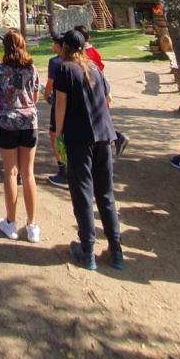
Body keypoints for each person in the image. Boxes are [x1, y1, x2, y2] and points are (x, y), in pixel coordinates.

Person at [55, 28, 122, 270]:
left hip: (79, 137)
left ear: (65, 47)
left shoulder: (65, 69)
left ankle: (88, 251)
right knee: (105, 193)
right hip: (104, 135)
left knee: (83, 191)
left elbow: (60, 105)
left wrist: (58, 135)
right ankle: (116, 251)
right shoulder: (94, 68)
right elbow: (108, 100)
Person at [0, 29, 41, 242]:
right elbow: (35, 97)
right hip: (29, 122)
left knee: (10, 172)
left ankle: (10, 222)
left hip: (7, 122)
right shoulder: (31, 68)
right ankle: (32, 225)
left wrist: (1, 114)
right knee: (28, 173)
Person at [75, 23, 129, 158]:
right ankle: (116, 138)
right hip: (100, 91)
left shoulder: (84, 54)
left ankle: (116, 138)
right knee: (99, 121)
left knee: (95, 122)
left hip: (93, 92)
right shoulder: (94, 52)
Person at [45, 34, 68, 188]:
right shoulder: (75, 60)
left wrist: (46, 96)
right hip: (73, 104)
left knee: (55, 135)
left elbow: (50, 83)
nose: (52, 46)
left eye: (54, 43)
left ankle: (63, 170)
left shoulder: (54, 62)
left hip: (59, 102)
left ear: (59, 46)